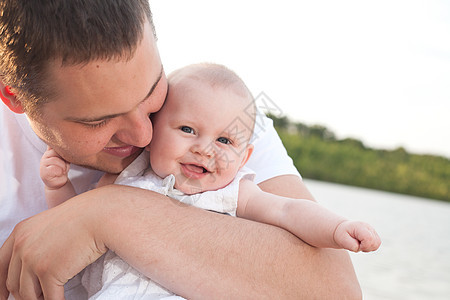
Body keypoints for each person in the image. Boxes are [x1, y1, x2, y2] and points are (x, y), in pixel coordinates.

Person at [0, 1, 362, 299]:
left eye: (152, 92)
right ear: (14, 97)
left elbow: (336, 291)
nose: (144, 134)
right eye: (98, 121)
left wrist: (107, 213)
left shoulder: (221, 114)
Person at [41, 63, 381, 299]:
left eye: (225, 141)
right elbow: (69, 227)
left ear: (245, 159)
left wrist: (337, 228)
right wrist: (58, 188)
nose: (204, 150)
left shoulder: (234, 192)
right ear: (154, 129)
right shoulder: (124, 177)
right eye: (188, 130)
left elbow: (289, 211)